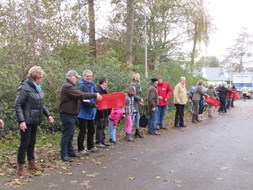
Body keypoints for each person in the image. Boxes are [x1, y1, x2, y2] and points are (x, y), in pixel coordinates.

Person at [15, 66, 54, 176]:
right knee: (24, 143)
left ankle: (31, 163)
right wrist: (21, 121)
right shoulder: (24, 88)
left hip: (35, 119)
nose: (42, 79)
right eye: (41, 77)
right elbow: (18, 105)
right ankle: (20, 168)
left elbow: (41, 103)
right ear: (36, 77)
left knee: (32, 142)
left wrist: (48, 115)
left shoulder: (38, 87)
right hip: (26, 120)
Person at [59, 70, 102, 162]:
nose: (77, 79)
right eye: (76, 77)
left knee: (70, 134)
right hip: (67, 113)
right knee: (67, 135)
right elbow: (81, 95)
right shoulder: (68, 87)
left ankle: (70, 152)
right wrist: (94, 95)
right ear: (71, 77)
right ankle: (64, 154)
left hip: (72, 113)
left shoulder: (70, 86)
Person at [77, 70, 100, 154]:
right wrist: (93, 104)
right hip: (83, 112)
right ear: (84, 76)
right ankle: (81, 149)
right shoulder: (81, 86)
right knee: (82, 131)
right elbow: (83, 100)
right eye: (87, 76)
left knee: (91, 130)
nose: (89, 77)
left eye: (90, 76)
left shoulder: (93, 85)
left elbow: (98, 95)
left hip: (91, 113)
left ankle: (90, 146)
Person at [95, 77, 110, 148]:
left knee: (103, 126)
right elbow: (99, 103)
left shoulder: (104, 90)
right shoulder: (98, 91)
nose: (107, 84)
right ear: (103, 82)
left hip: (105, 111)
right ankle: (98, 141)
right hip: (101, 112)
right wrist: (101, 115)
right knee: (100, 127)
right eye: (106, 82)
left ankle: (103, 140)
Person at [130, 73, 144, 138]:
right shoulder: (132, 85)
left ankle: (137, 132)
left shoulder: (138, 85)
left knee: (137, 118)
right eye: (139, 77)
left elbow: (137, 94)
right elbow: (133, 95)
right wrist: (140, 99)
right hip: (133, 104)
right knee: (132, 119)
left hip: (137, 104)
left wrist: (139, 101)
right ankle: (128, 133)